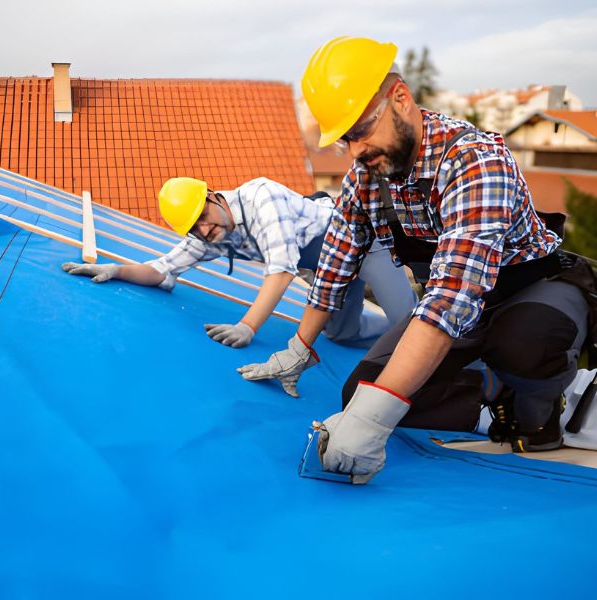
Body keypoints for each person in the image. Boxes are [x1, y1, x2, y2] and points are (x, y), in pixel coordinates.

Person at [238, 36, 594, 483]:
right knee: (359, 393)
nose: (355, 152)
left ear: (400, 100)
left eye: (361, 131)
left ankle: (540, 402)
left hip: (533, 289)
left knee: (524, 348)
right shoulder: (366, 177)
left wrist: (373, 422)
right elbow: (335, 264)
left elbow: (450, 298)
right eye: (344, 140)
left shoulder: (474, 161)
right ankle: (493, 388)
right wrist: (299, 347)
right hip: (462, 307)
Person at [62, 176, 417, 348]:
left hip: (361, 244)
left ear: (215, 196)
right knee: (342, 335)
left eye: (204, 215)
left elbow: (281, 272)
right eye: (195, 228)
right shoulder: (211, 235)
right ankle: (388, 339)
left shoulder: (262, 197)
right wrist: (117, 270)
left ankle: (465, 373)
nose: (205, 228)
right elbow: (162, 269)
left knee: (414, 324)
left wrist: (247, 326)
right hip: (329, 269)